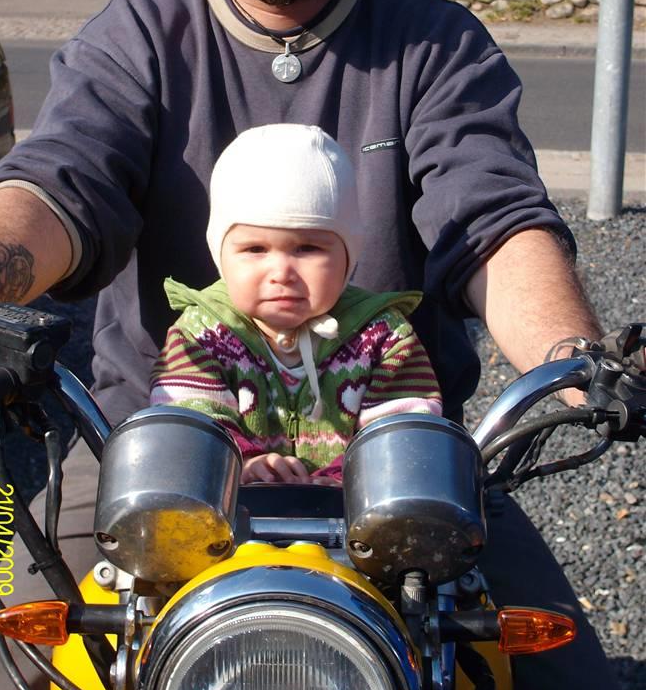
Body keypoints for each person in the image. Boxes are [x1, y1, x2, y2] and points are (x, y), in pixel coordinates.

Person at [0, 0, 614, 690]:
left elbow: (491, 217)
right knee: (3, 667)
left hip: (398, 464)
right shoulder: (140, 40)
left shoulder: (432, 46)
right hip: (155, 451)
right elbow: (56, 184)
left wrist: (576, 362)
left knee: (564, 670)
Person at [150, 123, 442, 485]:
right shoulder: (202, 333)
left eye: (308, 248)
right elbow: (186, 420)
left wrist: (348, 476)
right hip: (230, 516)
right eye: (255, 249)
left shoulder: (383, 337)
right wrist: (241, 463)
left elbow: (405, 430)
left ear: (348, 256)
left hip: (355, 520)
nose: (282, 272)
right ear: (221, 255)